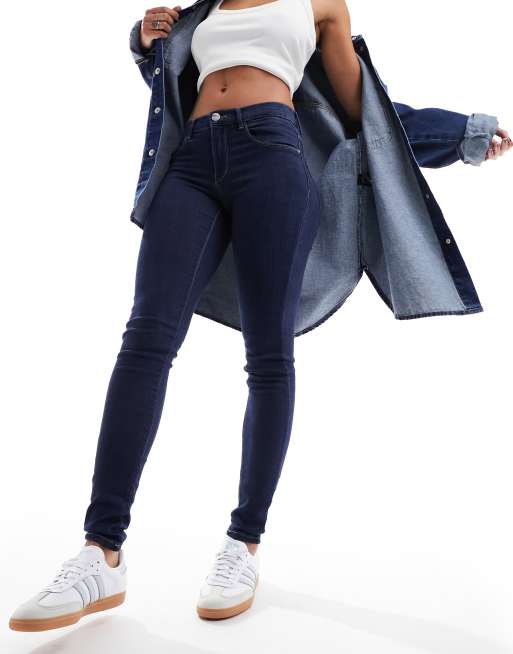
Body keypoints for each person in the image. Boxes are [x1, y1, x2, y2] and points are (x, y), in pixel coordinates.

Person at [9, 0, 512, 633]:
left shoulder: (319, 6)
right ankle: (100, 552)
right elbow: (168, 85)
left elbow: (367, 114)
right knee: (145, 340)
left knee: (269, 355)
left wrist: (461, 134)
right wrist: (141, 40)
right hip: (191, 163)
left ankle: (242, 545)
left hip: (272, 157)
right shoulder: (206, 9)